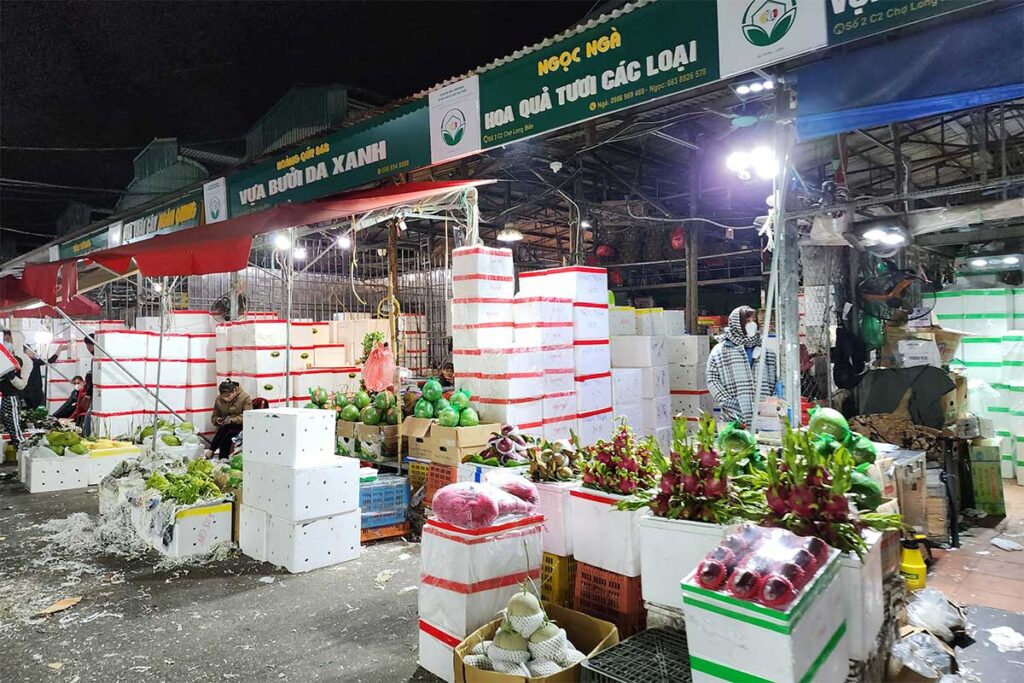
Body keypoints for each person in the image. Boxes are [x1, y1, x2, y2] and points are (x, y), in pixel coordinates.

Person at [705, 306, 778, 428]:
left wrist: (770, 404)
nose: (752, 324)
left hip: (764, 417)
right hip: (734, 415)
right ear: (737, 324)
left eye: (754, 320)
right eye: (747, 321)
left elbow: (775, 380)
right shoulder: (721, 351)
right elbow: (712, 379)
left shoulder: (766, 351)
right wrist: (729, 402)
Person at [0, 330, 32, 447]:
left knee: (13, 428)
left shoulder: (23, 359)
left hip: (10, 397)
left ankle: (22, 449)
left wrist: (11, 376)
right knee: (6, 426)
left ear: (17, 341)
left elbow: (22, 384)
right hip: (2, 395)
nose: (6, 342)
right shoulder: (4, 357)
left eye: (9, 340)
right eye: (5, 340)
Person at [208, 380, 252, 458]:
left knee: (228, 435)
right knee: (223, 429)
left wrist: (232, 420)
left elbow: (247, 416)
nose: (226, 399)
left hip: (240, 425)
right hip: (225, 425)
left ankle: (220, 455)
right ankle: (213, 451)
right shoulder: (218, 399)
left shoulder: (244, 397)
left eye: (228, 396)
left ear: (234, 391)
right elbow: (214, 417)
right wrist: (218, 420)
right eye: (223, 396)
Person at [22, 346, 60, 411]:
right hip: (35, 392)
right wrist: (59, 350)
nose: (33, 352)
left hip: (26, 392)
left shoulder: (23, 362)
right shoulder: (33, 362)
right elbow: (50, 360)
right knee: (38, 411)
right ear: (25, 353)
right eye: (30, 350)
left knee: (30, 411)